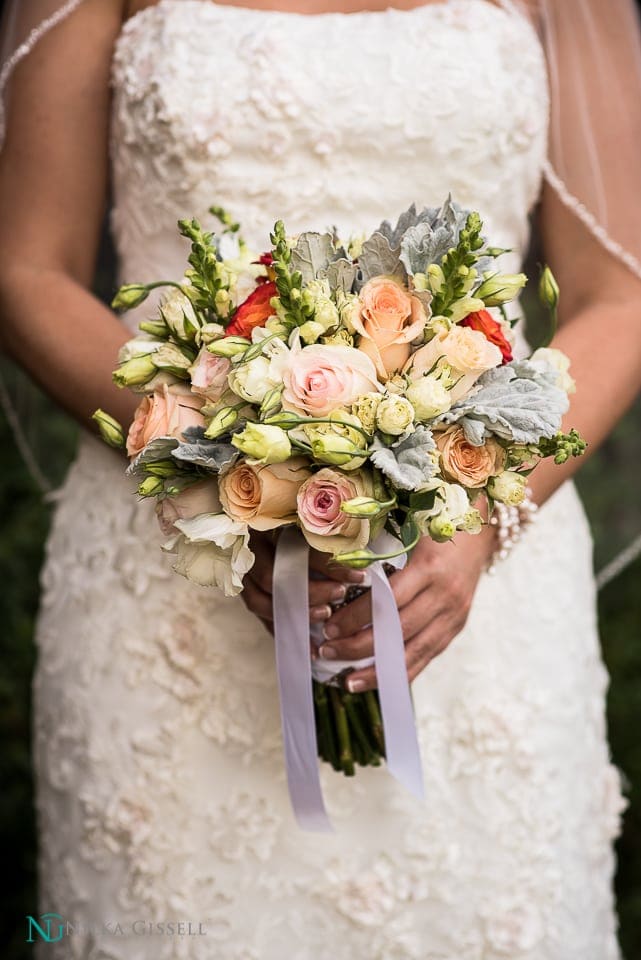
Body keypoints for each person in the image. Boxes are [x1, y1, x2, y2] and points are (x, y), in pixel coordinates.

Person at [1, 0, 640, 957]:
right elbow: (25, 270)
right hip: (174, 574)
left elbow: (618, 292)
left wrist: (478, 516)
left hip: (479, 572)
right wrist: (217, 463)